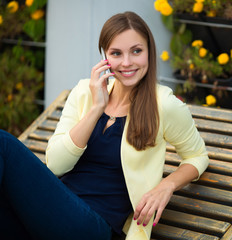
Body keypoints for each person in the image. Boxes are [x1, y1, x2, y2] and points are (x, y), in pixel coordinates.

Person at [0, 11, 209, 240]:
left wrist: (166, 186)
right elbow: (56, 165)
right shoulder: (84, 92)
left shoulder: (164, 105)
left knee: (3, 145)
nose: (127, 62)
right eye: (116, 53)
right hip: (55, 215)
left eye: (136, 51)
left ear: (149, 52)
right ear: (105, 57)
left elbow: (197, 156)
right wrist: (96, 109)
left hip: (93, 227)